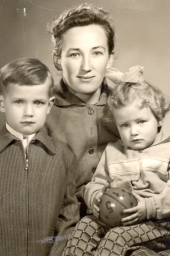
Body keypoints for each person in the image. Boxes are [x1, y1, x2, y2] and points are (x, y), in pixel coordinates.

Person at [62, 66, 170, 256]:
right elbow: (97, 182)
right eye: (125, 125)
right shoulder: (113, 150)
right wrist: (95, 195)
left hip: (162, 223)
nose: (133, 132)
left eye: (141, 122)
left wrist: (149, 207)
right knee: (85, 225)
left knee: (116, 237)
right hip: (117, 218)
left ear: (158, 119)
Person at [0, 58, 80, 256]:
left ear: (49, 105)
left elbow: (68, 218)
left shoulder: (62, 156)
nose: (29, 112)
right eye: (19, 102)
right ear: (1, 103)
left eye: (38, 103)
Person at [46, 3, 119, 217]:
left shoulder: (128, 105)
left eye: (96, 53)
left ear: (110, 58)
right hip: (64, 223)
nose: (86, 66)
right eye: (75, 54)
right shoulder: (40, 110)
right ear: (58, 60)